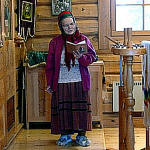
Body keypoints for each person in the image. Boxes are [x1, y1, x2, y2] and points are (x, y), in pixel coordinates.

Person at [45, 11, 97, 147]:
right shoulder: (55, 42)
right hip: (61, 81)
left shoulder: (83, 40)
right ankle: (65, 135)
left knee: (81, 109)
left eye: (71, 24)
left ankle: (81, 136)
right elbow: (50, 65)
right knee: (64, 109)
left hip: (79, 80)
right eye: (66, 25)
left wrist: (81, 58)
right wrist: (50, 83)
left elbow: (92, 57)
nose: (69, 27)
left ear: (75, 23)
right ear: (61, 27)